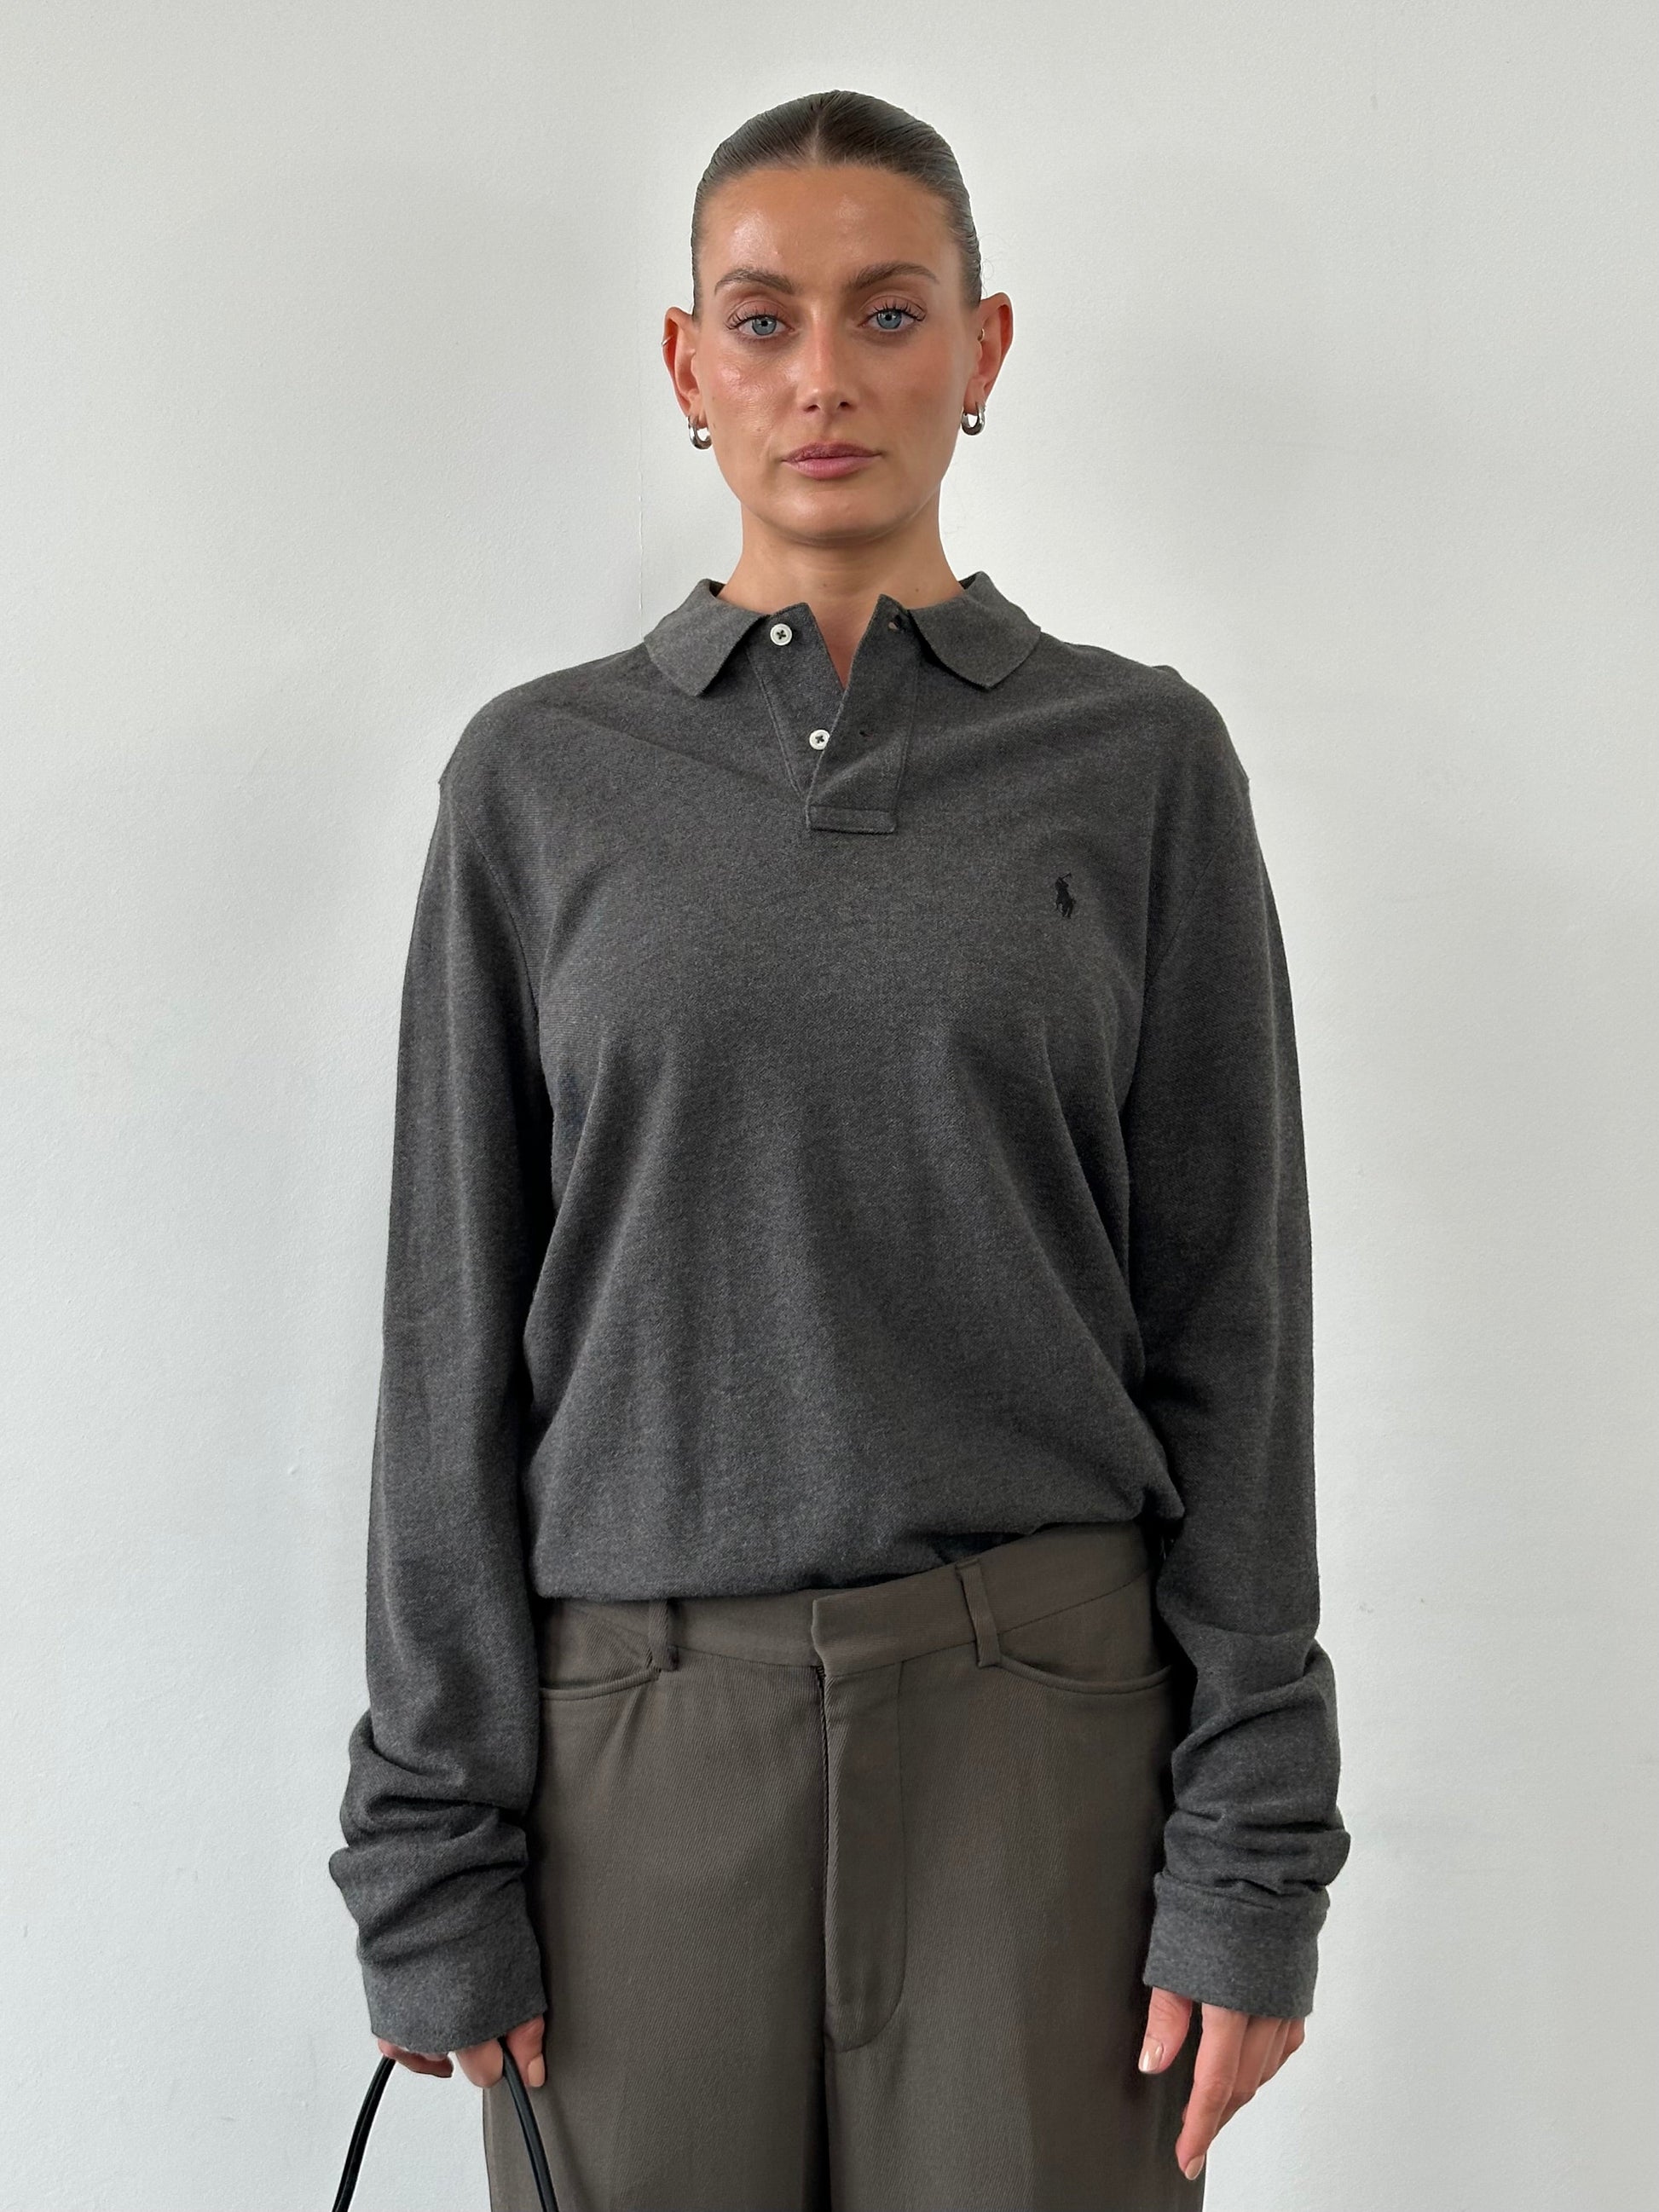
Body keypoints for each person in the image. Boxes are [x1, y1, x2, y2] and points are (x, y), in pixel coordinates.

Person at [327, 87, 1350, 2209]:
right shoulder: (539, 781)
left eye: (887, 313)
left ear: (982, 348)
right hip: (633, 1751)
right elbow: (450, 1341)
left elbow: (1232, 1333)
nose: (822, 376)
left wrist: (1253, 1844)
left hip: (1044, 1731)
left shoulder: (1139, 762)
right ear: (683, 362)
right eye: (762, 317)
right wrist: (430, 1833)